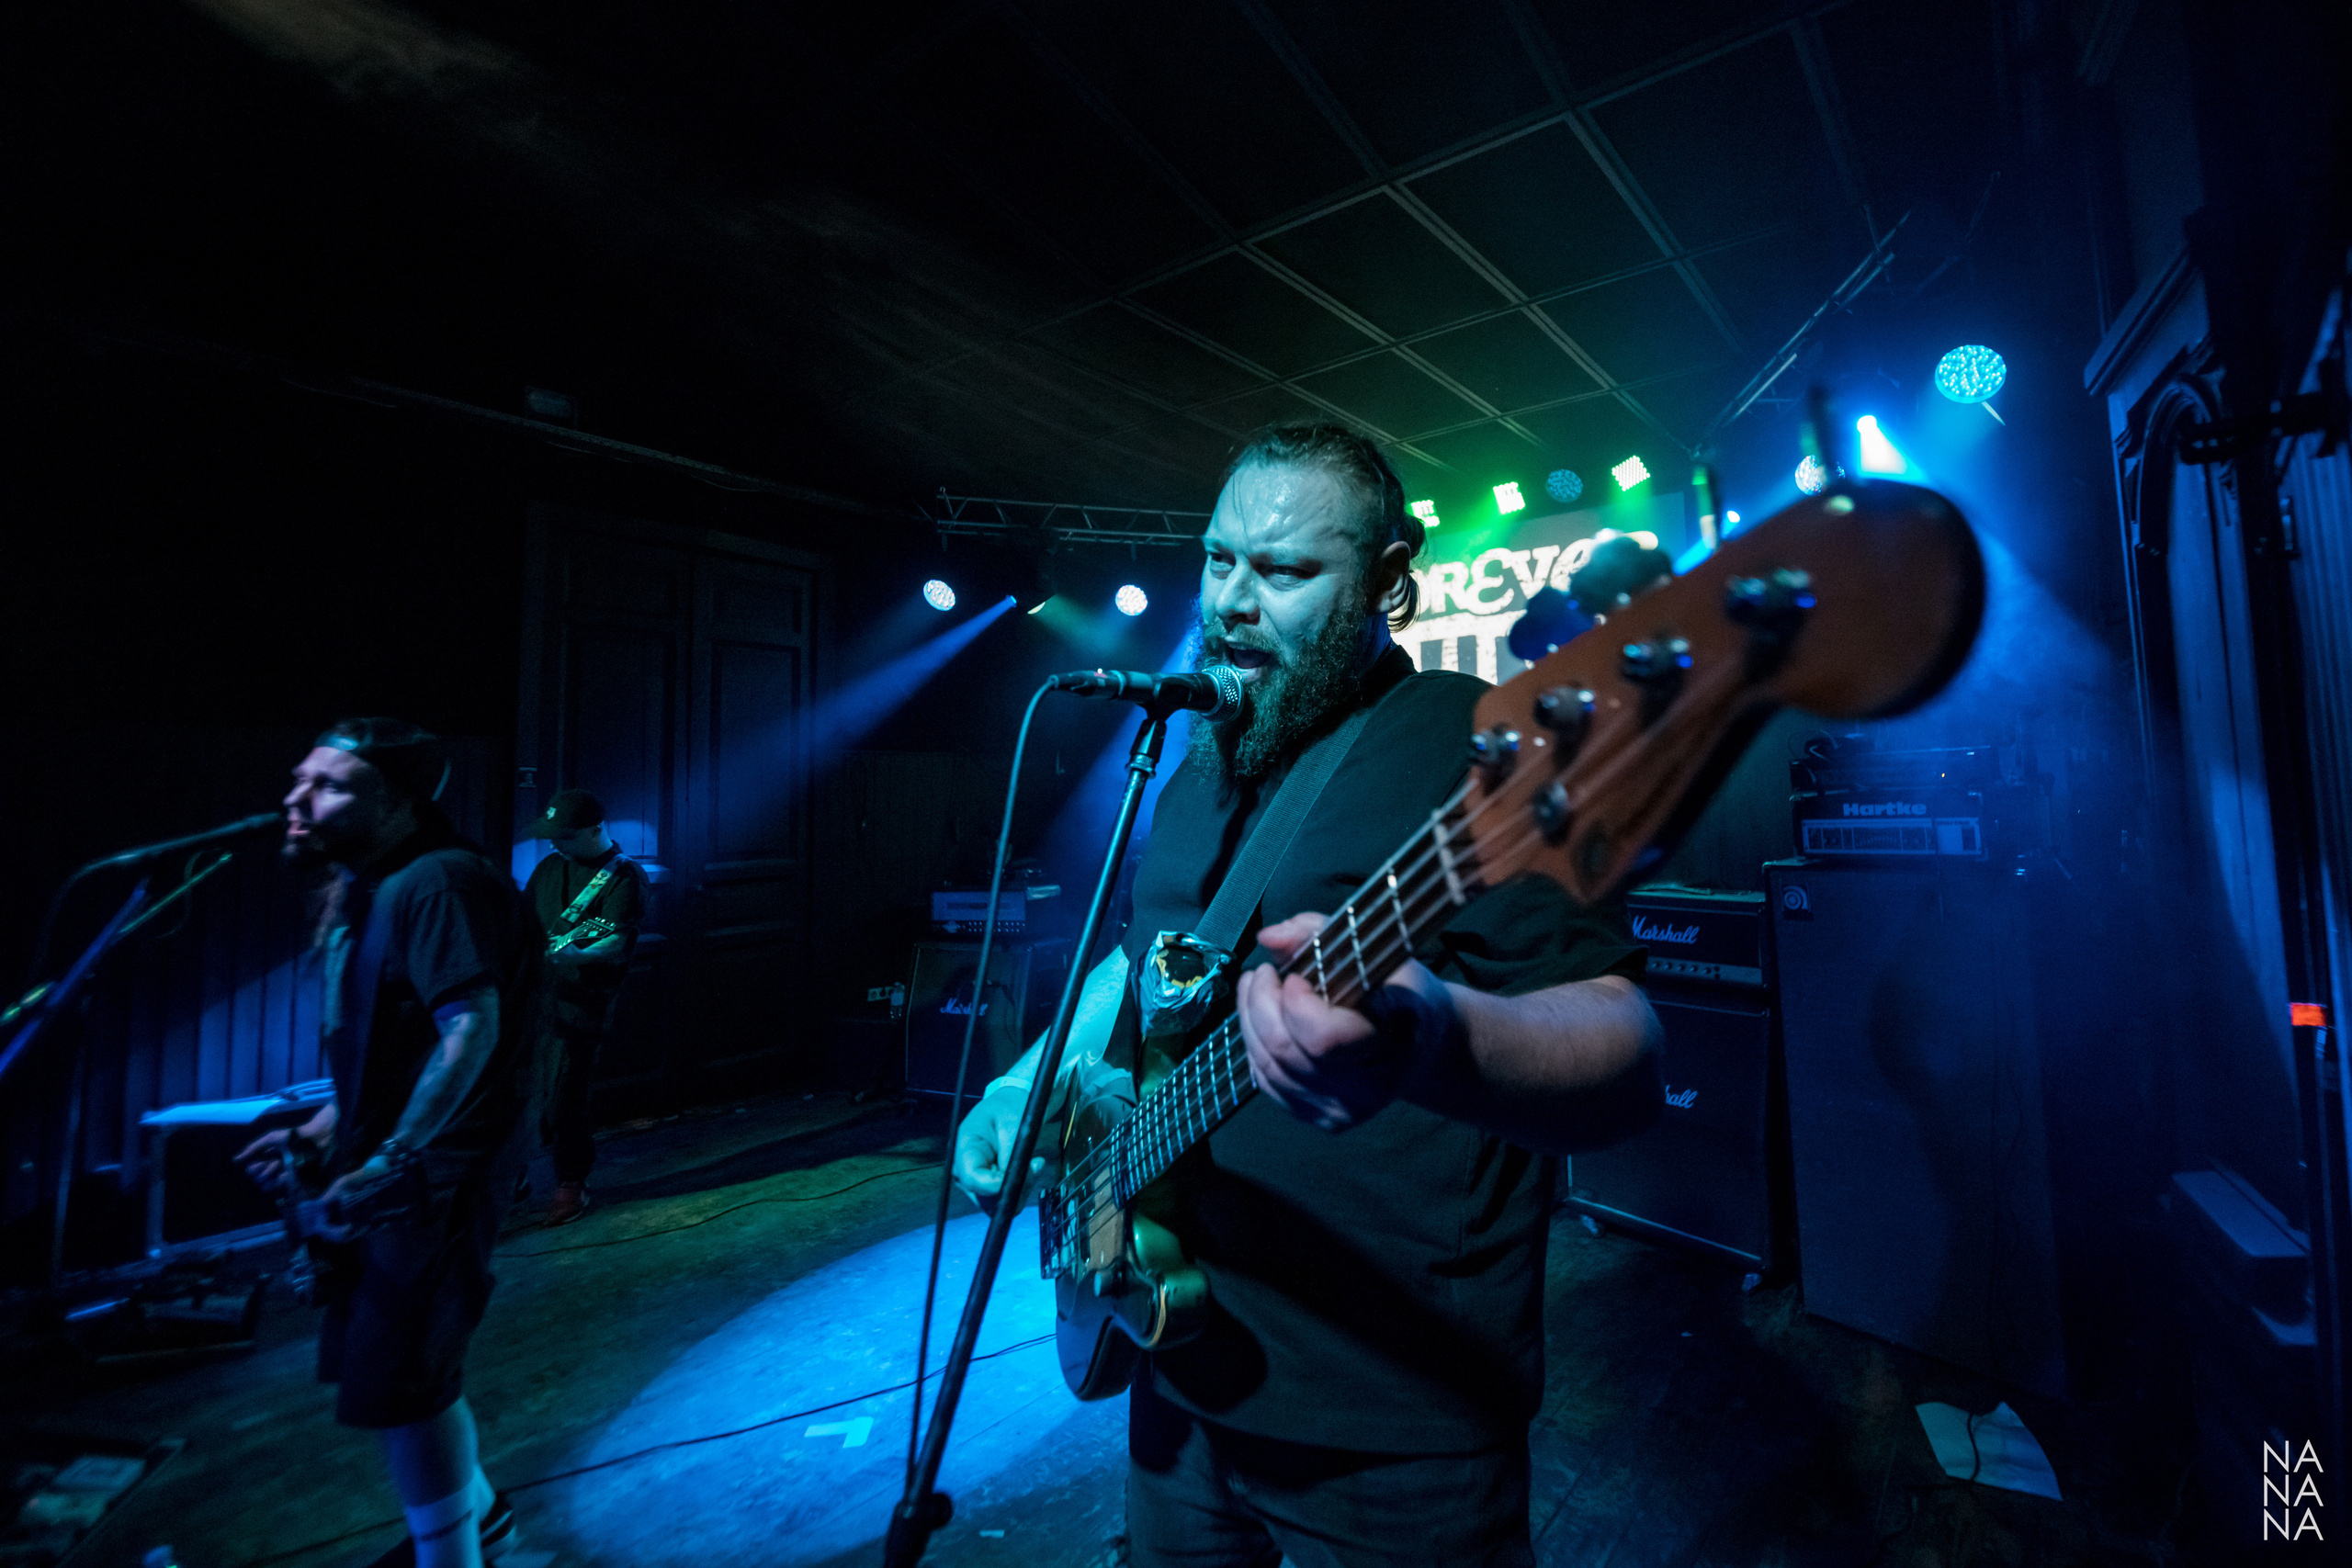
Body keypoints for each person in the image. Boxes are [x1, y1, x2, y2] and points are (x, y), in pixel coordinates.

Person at [954, 424, 1665, 1568]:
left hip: (1395, 1421)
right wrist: (1021, 1091)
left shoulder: (1467, 741)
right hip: (1174, 1360)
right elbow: (1149, 974)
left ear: (1390, 579)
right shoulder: (1197, 768)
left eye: (1283, 571)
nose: (1233, 601)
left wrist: (1434, 1035)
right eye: (1219, 560)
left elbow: (1632, 1053)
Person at [238, 719, 529, 1568]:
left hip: (436, 1174)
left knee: (407, 1380)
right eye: (299, 779)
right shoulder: (374, 888)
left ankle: (454, 1556)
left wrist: (391, 1160)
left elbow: (469, 1029)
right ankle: (483, 1519)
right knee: (399, 1374)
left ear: (396, 801)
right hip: (398, 1167)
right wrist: (320, 1131)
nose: (298, 799)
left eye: (327, 784)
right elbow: (388, 1058)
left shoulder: (438, 883)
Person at [520, 788, 649, 1225]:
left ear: (596, 830)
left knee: (564, 1097)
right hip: (536, 998)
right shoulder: (550, 866)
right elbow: (526, 923)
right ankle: (514, 1173)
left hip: (583, 1006)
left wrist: (575, 956)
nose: (556, 843)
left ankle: (571, 1182)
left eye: (567, 836)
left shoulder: (623, 876)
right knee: (520, 1090)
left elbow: (616, 941)